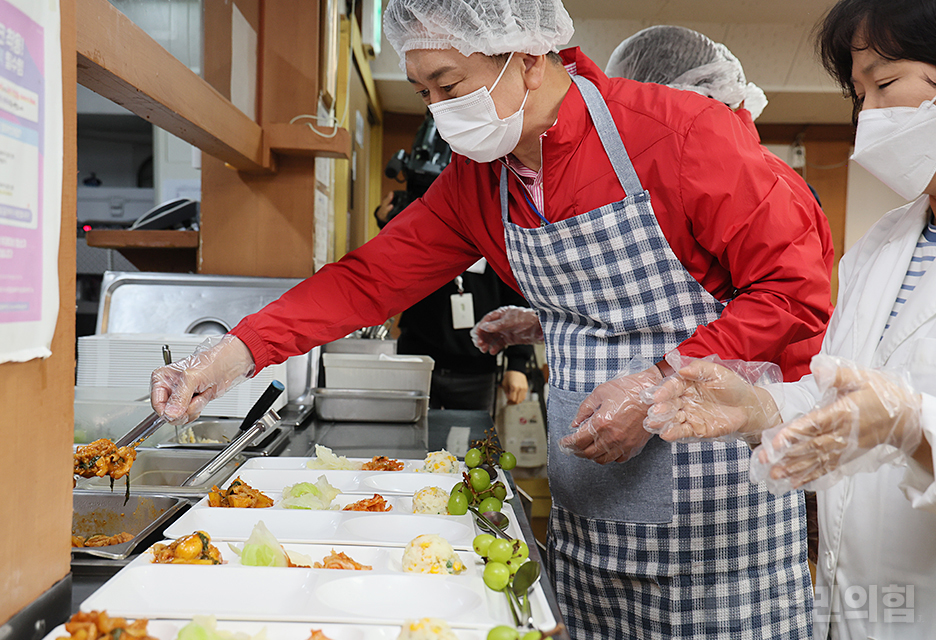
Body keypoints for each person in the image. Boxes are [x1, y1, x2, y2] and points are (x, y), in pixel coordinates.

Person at [150, 0, 833, 636]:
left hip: (719, 524)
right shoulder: (481, 181)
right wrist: (232, 355)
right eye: (424, 93)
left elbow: (794, 290)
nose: (440, 111)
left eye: (450, 84)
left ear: (529, 59)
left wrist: (661, 384)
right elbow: (368, 281)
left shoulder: (679, 134)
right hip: (589, 519)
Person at [643, 1, 936, 637]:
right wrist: (759, 407)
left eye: (887, 84)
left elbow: (894, 411)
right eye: (861, 96)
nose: (872, 116)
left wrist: (917, 426)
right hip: (852, 602)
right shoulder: (885, 245)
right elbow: (839, 391)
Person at [475, 25, 836, 381]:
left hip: (766, 405)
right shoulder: (653, 177)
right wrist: (552, 321)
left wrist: (665, 377)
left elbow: (780, 304)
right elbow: (681, 298)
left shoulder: (771, 182)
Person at [375, 191, 534, 411]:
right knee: (408, 440)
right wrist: (386, 223)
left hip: (476, 369)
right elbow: (394, 263)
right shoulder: (430, 212)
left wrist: (517, 364)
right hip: (418, 359)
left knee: (473, 443)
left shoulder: (501, 227)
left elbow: (519, 300)